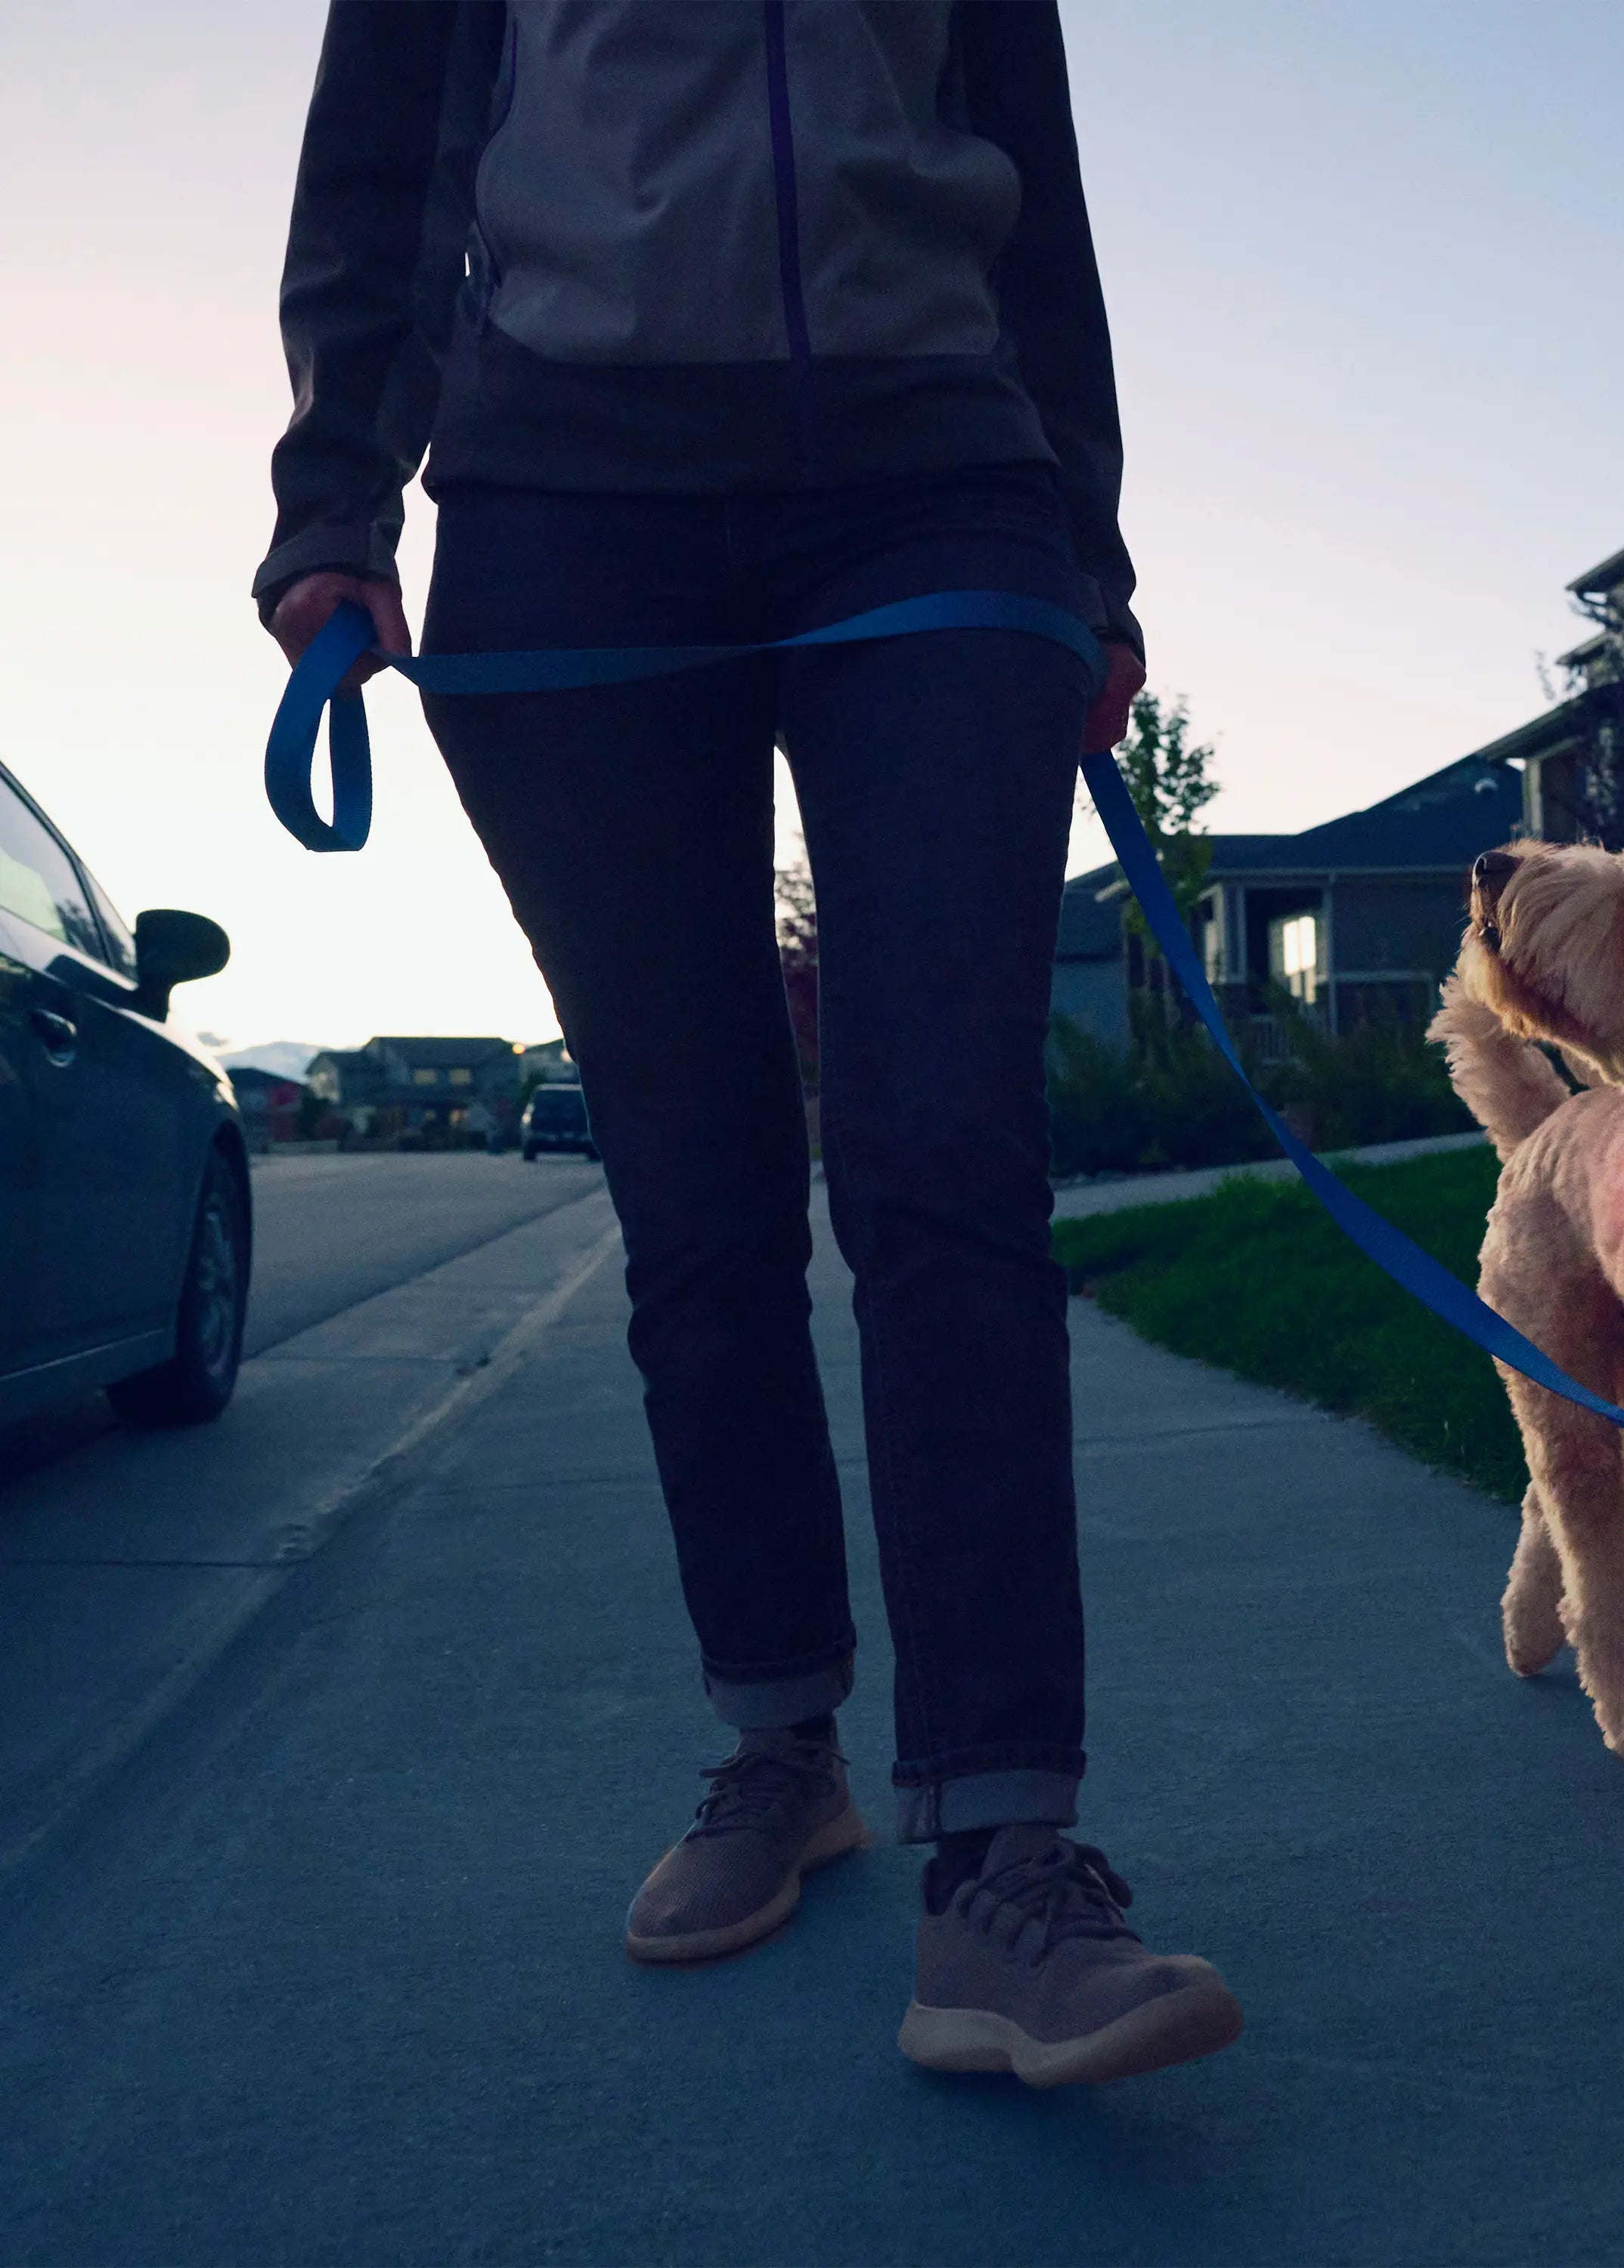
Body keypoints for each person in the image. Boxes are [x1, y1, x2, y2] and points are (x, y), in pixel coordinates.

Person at [258, 0, 1241, 2089]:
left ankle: (1006, 1863)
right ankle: (780, 1742)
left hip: (934, 489)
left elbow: (1033, 206)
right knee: (699, 1196)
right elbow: (385, 158)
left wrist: (1089, 551)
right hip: (563, 498)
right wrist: (337, 502)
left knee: (943, 1155)